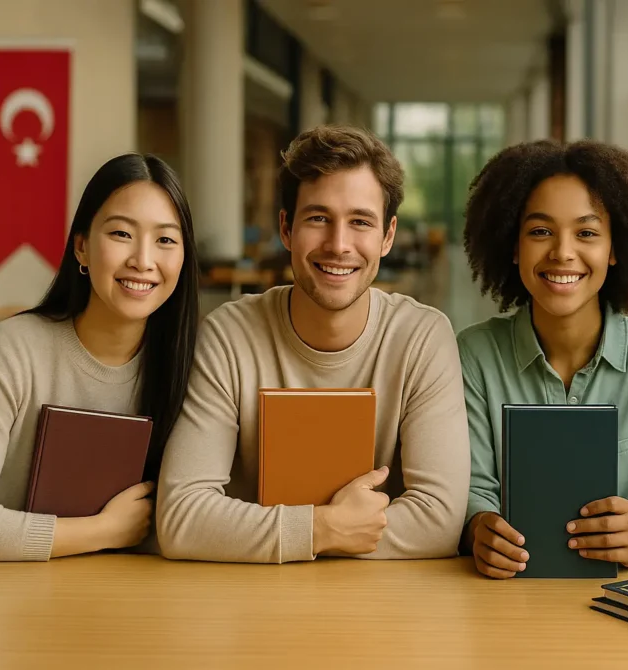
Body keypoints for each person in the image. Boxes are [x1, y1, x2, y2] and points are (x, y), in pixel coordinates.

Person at [155, 124, 469, 563]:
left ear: (388, 236)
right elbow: (182, 519)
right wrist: (326, 528)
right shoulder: (230, 335)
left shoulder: (421, 338)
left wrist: (260, 532)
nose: (338, 245)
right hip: (252, 602)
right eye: (318, 218)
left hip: (379, 608)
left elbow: (439, 522)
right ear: (286, 228)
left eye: (360, 222)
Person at [456, 139, 628, 579]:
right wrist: (479, 528)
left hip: (626, 602)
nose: (562, 252)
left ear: (615, 249)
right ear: (512, 245)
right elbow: (472, 491)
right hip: (499, 601)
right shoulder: (473, 357)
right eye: (540, 231)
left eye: (587, 233)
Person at [0, 153, 200, 561]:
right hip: (9, 601)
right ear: (82, 247)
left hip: (136, 602)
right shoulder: (16, 349)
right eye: (121, 234)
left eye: (165, 239)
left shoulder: (193, 363)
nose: (143, 261)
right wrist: (102, 531)